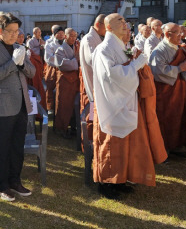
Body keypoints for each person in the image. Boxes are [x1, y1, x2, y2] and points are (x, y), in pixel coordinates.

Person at [91, 13, 167, 199]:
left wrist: (135, 62)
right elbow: (112, 76)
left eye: (125, 21)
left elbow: (125, 68)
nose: (125, 24)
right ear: (108, 27)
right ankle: (106, 183)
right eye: (120, 21)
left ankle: (121, 179)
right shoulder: (103, 49)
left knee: (125, 144)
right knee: (111, 143)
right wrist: (135, 66)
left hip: (126, 100)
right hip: (110, 104)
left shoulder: (122, 46)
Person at [0, 13, 36, 202]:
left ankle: (15, 180)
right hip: (2, 106)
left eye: (17, 31)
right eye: (10, 31)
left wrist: (22, 63)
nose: (15, 35)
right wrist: (13, 63)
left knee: (17, 147)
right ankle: (2, 184)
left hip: (21, 104)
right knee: (3, 147)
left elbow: (32, 71)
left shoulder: (19, 47)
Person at [149, 23, 186, 157]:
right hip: (166, 93)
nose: (182, 35)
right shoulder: (159, 51)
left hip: (180, 90)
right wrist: (179, 68)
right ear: (168, 34)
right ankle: (165, 147)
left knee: (180, 117)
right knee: (168, 118)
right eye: (178, 33)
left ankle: (178, 144)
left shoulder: (180, 48)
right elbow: (158, 71)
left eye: (181, 32)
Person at [79, 14, 106, 142]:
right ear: (98, 25)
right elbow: (93, 60)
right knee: (92, 115)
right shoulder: (89, 39)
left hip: (99, 82)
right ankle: (89, 144)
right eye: (106, 27)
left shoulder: (97, 37)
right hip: (93, 82)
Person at [51, 28, 80, 138]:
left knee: (74, 104)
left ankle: (73, 127)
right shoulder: (60, 49)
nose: (73, 38)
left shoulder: (77, 46)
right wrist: (75, 60)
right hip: (65, 80)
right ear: (65, 36)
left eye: (75, 35)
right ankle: (61, 128)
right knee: (63, 104)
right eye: (71, 35)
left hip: (75, 80)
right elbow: (62, 64)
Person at [43, 25, 64, 114]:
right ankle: (50, 107)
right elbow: (48, 58)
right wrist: (62, 61)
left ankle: (61, 107)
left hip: (64, 69)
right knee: (50, 87)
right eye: (58, 33)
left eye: (62, 33)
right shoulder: (50, 43)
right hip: (52, 68)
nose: (60, 35)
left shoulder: (66, 42)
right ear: (54, 34)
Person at [26, 27, 46, 109]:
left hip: (40, 62)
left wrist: (42, 46)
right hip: (34, 64)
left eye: (40, 32)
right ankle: (32, 107)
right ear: (34, 33)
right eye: (38, 32)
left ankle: (40, 105)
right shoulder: (30, 41)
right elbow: (30, 52)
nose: (40, 34)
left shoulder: (40, 40)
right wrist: (39, 47)